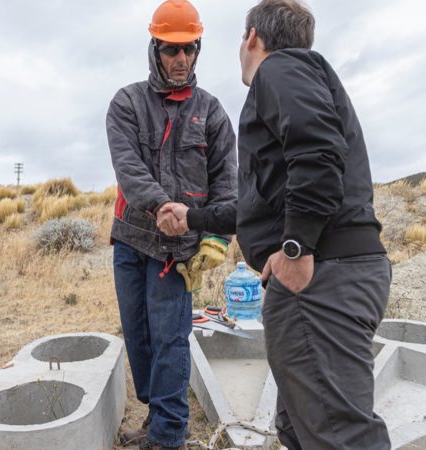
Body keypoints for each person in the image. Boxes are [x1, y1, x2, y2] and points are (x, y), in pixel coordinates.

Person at [157, 0, 392, 448]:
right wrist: (194, 217)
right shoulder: (301, 76)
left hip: (320, 276)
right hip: (333, 273)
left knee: (339, 434)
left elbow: (319, 154)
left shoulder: (279, 69)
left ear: (251, 37)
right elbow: (259, 204)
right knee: (300, 427)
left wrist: (295, 249)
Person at [106, 0, 237, 448]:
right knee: (140, 339)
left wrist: (217, 237)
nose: (181, 60)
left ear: (198, 49)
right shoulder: (126, 103)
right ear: (154, 48)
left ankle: (168, 435)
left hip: (178, 254)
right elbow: (129, 168)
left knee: (170, 341)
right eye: (170, 50)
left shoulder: (213, 113)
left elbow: (227, 183)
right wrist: (162, 206)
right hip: (131, 241)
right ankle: (156, 413)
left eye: (190, 49)